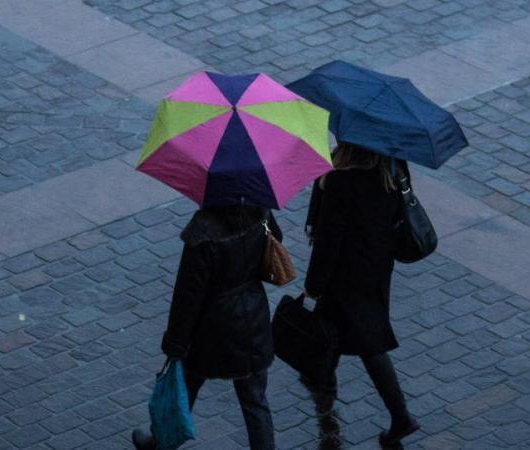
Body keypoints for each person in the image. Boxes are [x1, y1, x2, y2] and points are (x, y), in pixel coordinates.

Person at [132, 205, 282, 450]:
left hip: (212, 328)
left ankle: (161, 441)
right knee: (255, 401)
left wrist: (176, 343)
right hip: (253, 318)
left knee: (185, 385)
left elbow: (188, 294)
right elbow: (277, 240)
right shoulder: (260, 209)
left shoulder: (203, 230)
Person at [303, 142, 419, 448]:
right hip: (376, 270)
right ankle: (324, 387)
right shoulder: (393, 168)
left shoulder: (341, 180)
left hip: (343, 279)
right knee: (342, 335)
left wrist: (313, 285)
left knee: (363, 342)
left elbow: (328, 242)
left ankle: (396, 416)